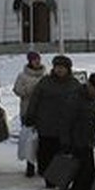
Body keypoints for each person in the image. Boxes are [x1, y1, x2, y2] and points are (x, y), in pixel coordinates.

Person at [23, 54, 78, 183]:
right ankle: (48, 178)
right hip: (46, 125)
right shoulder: (45, 82)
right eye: (57, 67)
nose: (59, 70)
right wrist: (30, 116)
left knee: (62, 154)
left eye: (62, 67)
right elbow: (34, 100)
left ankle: (59, 179)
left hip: (65, 127)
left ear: (68, 69)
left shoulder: (74, 84)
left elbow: (80, 101)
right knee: (46, 153)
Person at [12, 51, 46, 177]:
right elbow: (17, 89)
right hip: (27, 111)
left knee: (41, 140)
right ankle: (29, 165)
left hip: (43, 112)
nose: (37, 61)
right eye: (34, 59)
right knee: (29, 140)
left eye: (38, 59)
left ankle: (41, 165)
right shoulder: (23, 76)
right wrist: (29, 90)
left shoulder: (45, 75)